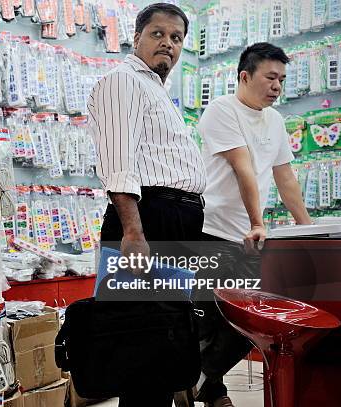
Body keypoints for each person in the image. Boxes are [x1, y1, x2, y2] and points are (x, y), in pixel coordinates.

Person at [87, 3, 206, 406]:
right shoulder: (124, 81)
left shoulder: (154, 89)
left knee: (164, 341)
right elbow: (118, 163)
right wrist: (134, 231)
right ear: (136, 38)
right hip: (147, 221)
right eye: (158, 34)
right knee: (143, 344)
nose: (168, 44)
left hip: (169, 220)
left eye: (176, 38)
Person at [192, 43, 312, 407]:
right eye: (270, 77)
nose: (277, 86)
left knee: (251, 323)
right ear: (245, 76)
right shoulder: (221, 110)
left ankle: (200, 380)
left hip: (251, 239)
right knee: (211, 320)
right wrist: (257, 221)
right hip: (213, 232)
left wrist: (307, 228)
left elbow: (285, 176)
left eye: (282, 79)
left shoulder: (275, 120)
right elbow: (242, 167)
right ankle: (211, 389)